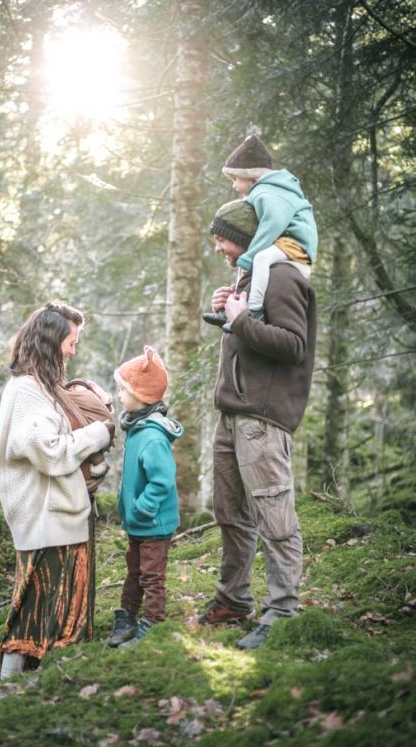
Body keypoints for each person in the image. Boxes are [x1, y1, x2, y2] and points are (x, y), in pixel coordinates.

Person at [195, 199, 317, 650]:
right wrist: (228, 310)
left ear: (245, 237)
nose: (218, 247)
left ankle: (282, 611)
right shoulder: (252, 275)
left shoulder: (282, 275)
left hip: (262, 419)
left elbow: (293, 345)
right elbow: (247, 332)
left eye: (222, 238)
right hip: (232, 414)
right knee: (230, 513)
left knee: (274, 515)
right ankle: (234, 600)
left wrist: (241, 320)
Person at [0, 302, 115, 679]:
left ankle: (53, 683)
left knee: (60, 609)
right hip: (44, 520)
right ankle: (9, 687)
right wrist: (99, 432)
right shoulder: (27, 390)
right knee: (35, 608)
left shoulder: (43, 387)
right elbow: (47, 451)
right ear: (50, 341)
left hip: (60, 516)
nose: (73, 351)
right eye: (70, 342)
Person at [107, 346, 183, 648]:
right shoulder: (136, 427)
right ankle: (127, 616)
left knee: (151, 575)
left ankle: (154, 622)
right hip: (138, 521)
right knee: (134, 571)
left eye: (123, 390)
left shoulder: (152, 436)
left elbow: (162, 481)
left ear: (141, 395)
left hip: (153, 522)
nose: (119, 396)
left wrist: (142, 507)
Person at [203, 134, 317, 326]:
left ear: (252, 178)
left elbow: (272, 224)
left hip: (296, 242)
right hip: (285, 242)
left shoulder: (267, 194)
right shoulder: (260, 194)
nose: (234, 185)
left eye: (235, 179)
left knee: (260, 258)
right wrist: (229, 303)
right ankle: (232, 310)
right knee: (252, 261)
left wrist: (242, 320)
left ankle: (254, 310)